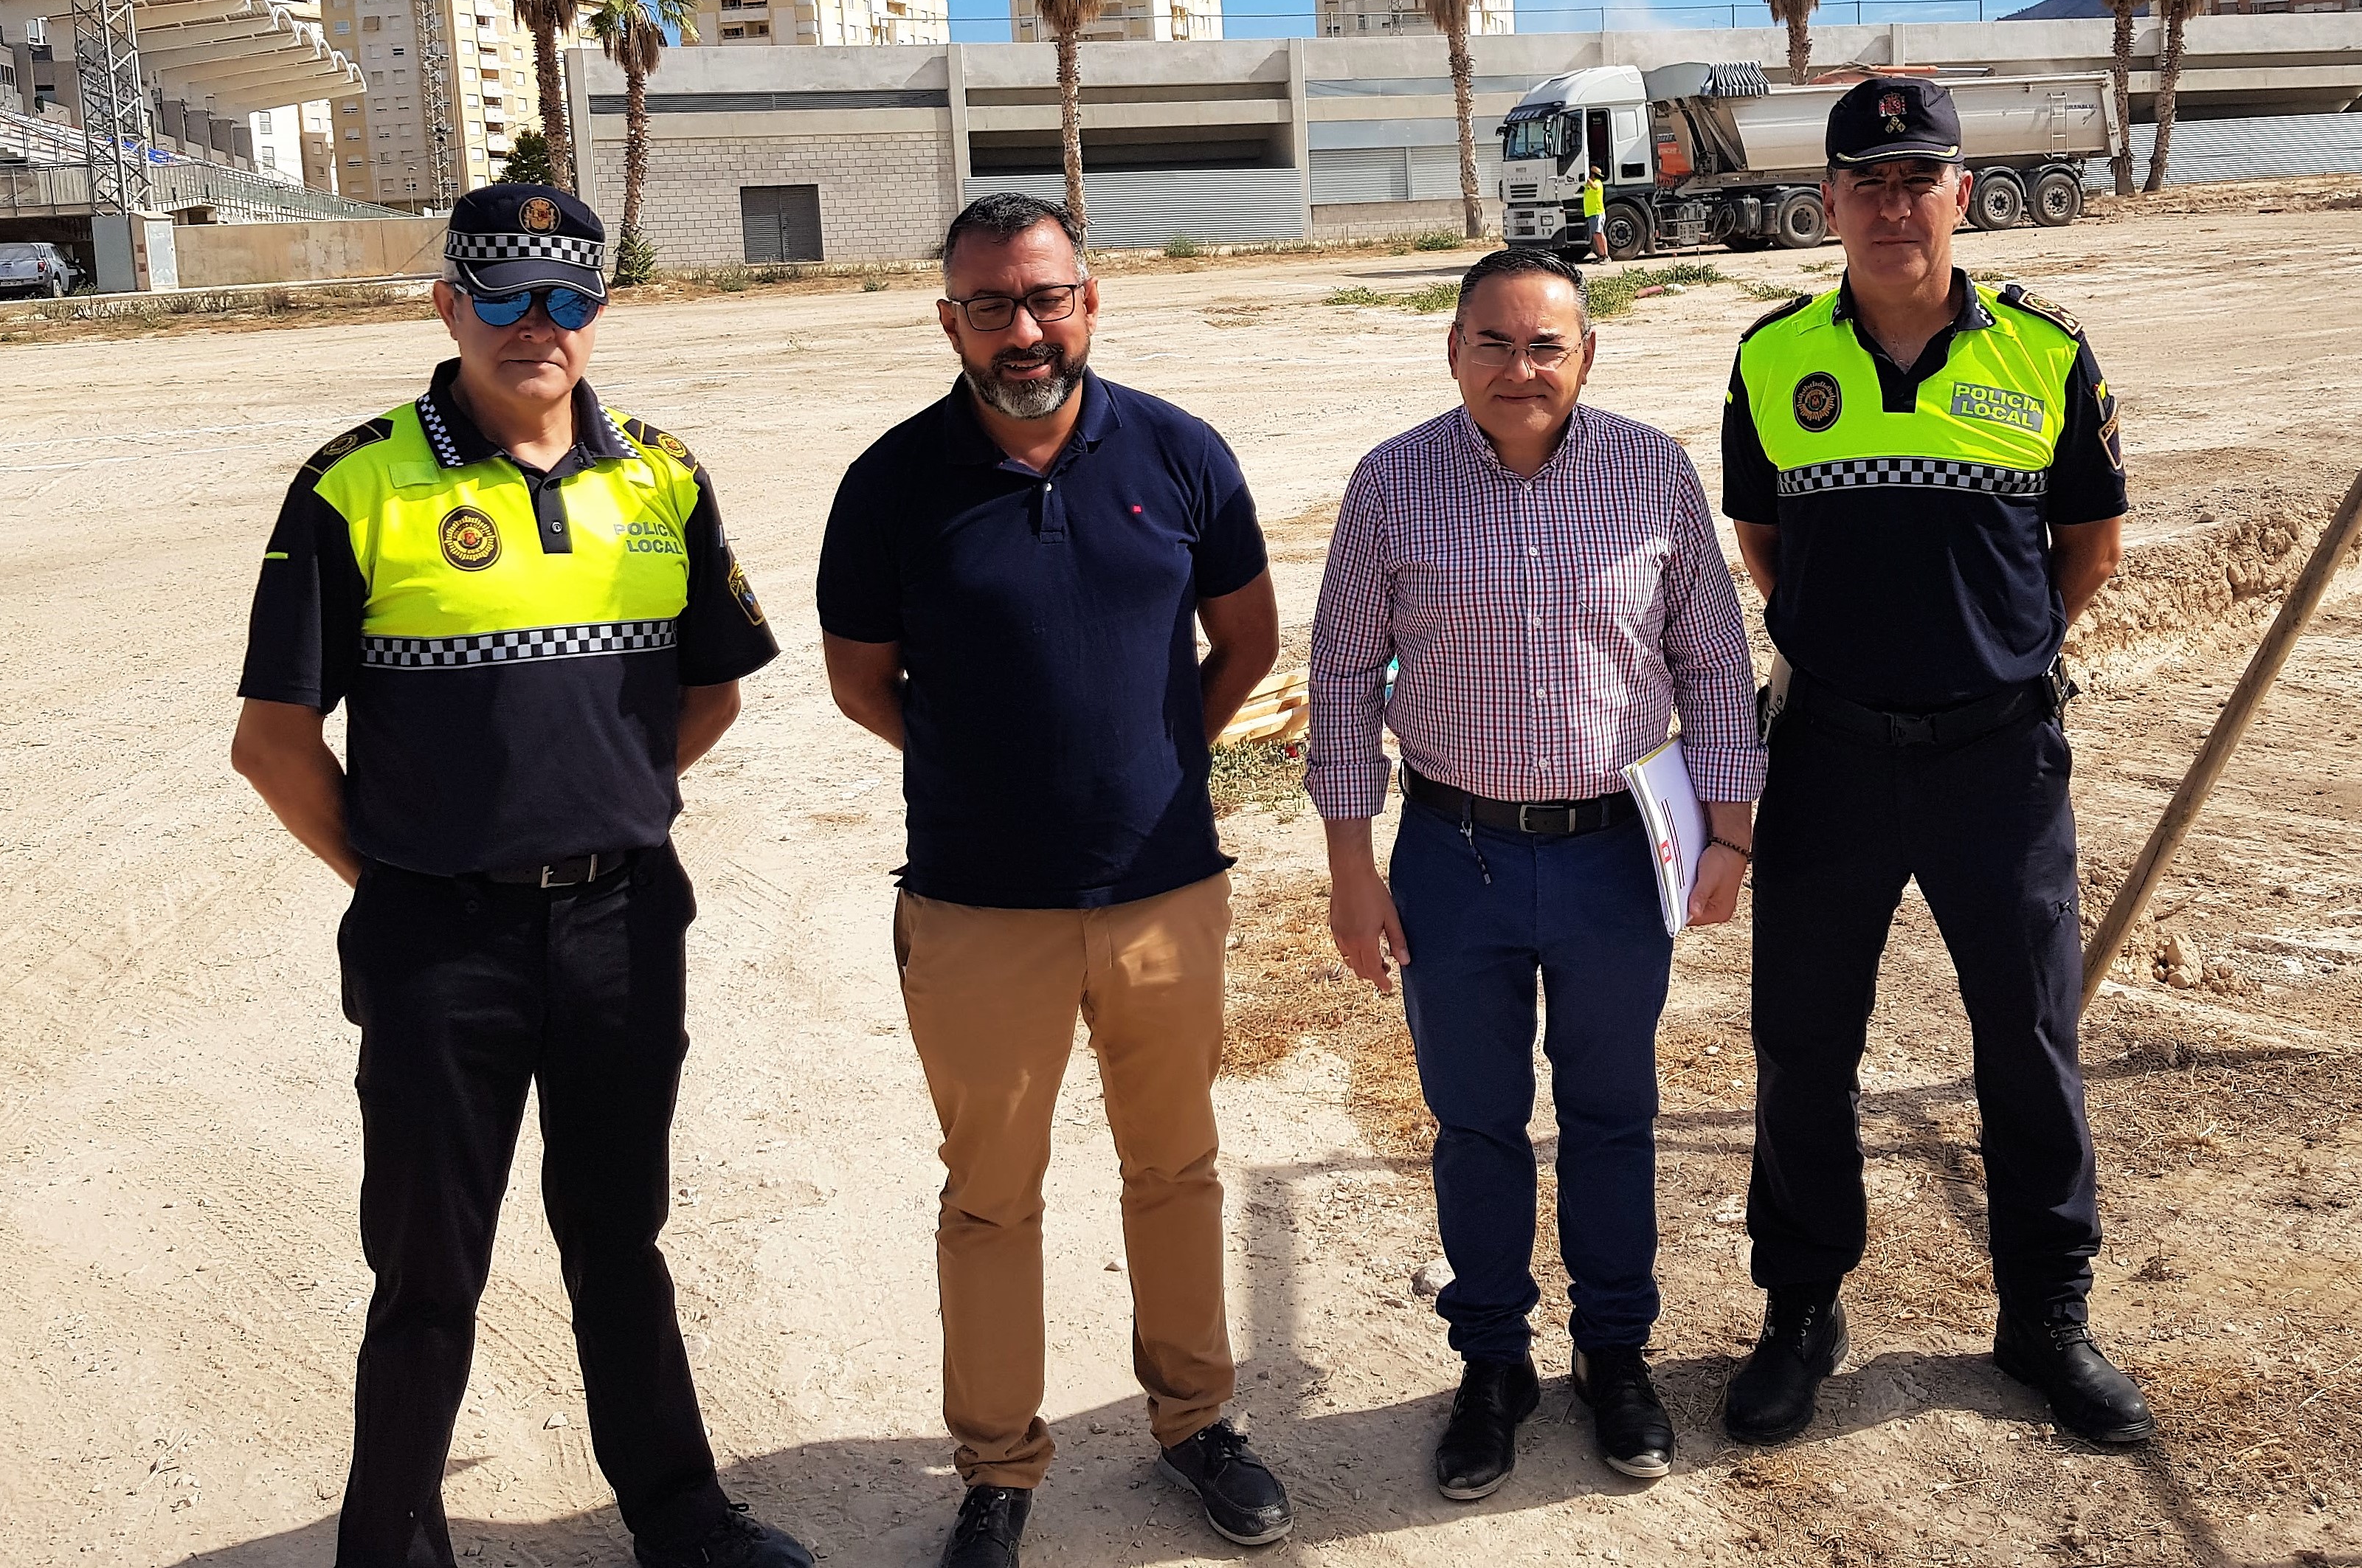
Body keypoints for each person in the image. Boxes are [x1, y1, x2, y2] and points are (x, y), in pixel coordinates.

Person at [229, 183, 809, 1568]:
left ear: (599, 311)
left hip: (624, 921)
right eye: (502, 295)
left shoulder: (659, 474)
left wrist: (611, 801)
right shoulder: (354, 482)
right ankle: (389, 1541)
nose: (534, 326)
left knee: (622, 1236)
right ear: (448, 304)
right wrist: (402, 871)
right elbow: (272, 741)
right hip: (440, 938)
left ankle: (678, 1514)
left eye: (565, 297)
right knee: (428, 1267)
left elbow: (713, 691)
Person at [817, 192, 1294, 1567]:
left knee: (1176, 1165)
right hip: (975, 910)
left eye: (1044, 298)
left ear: (1091, 297)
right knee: (989, 1194)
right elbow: (862, 681)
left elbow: (1247, 643)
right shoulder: (893, 481)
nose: (1022, 330)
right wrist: (984, 768)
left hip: (1162, 890)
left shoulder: (1180, 453)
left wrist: (1154, 759)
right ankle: (998, 1467)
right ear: (950, 320)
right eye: (989, 306)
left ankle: (1197, 1420)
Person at [1718, 77, 2150, 1448]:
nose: (1894, 205)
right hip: (1830, 756)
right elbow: (1767, 549)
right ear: (1827, 203)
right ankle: (1800, 1310)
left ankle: (2045, 1312)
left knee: (2027, 1039)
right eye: (1868, 182)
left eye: (1921, 179)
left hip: (1997, 761)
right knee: (1802, 1043)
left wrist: (1990, 657)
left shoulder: (2046, 352)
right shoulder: (1775, 361)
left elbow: (2088, 549)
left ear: (1961, 194)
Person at [1308, 247, 1766, 1500]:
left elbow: (1717, 664)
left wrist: (1730, 834)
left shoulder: (1652, 474)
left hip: (1619, 857)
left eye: (1545, 344)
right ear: (1453, 351)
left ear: (1586, 354)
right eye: (1495, 344)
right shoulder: (1392, 484)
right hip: (1452, 860)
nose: (1521, 368)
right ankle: (1494, 1362)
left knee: (1614, 1112)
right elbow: (1344, 679)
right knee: (1475, 1120)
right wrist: (1353, 867)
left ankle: (1615, 1354)